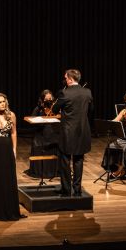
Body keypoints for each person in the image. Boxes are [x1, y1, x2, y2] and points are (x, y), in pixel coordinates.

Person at [51, 69, 93, 197]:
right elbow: (91, 110)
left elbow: (54, 109)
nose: (64, 79)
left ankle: (66, 188)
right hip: (82, 131)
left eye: (65, 77)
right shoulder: (87, 92)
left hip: (68, 132)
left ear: (69, 79)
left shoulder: (65, 93)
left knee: (64, 161)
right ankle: (77, 189)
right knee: (78, 160)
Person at [26, 89, 60, 178]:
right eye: (46, 100)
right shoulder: (38, 109)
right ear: (42, 100)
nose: (49, 101)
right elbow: (32, 120)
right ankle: (40, 171)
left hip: (53, 134)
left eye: (50, 99)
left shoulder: (55, 108)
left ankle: (54, 171)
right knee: (38, 142)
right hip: (41, 134)